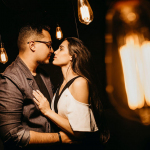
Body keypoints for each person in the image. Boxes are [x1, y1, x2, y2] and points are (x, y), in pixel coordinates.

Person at [0, 24, 72, 150]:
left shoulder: (44, 74)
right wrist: (60, 138)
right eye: (48, 45)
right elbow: (12, 135)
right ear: (32, 45)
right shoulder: (10, 79)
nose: (51, 50)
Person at [32, 37, 110, 149]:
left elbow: (79, 132)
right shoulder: (61, 85)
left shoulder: (79, 82)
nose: (55, 51)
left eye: (61, 49)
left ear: (73, 56)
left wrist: (47, 111)